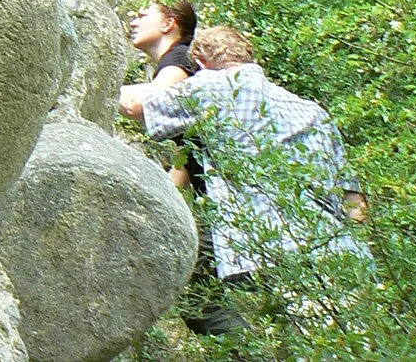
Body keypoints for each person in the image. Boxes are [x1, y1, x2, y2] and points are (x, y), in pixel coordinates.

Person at [122, 26, 369, 331]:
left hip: (272, 251)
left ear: (200, 64)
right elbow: (354, 204)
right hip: (338, 253)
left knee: (197, 292)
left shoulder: (213, 88)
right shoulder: (312, 112)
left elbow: (134, 105)